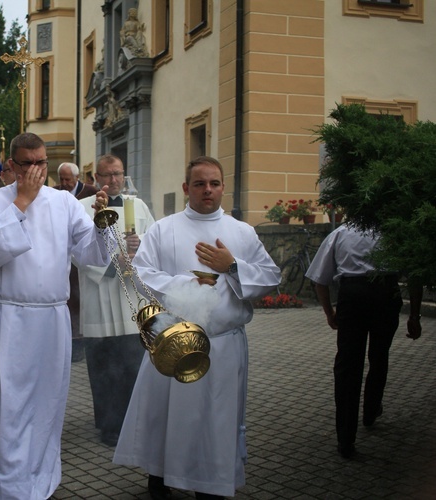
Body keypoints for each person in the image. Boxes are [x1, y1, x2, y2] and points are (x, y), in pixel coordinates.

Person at [113, 156, 280, 500]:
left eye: (215, 183)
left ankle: (211, 482)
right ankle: (160, 474)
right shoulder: (164, 228)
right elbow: (141, 274)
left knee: (214, 421)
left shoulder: (242, 233)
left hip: (222, 345)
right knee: (165, 414)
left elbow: (270, 276)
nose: (208, 190)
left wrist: (231, 266)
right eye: (200, 184)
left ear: (223, 188)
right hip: (174, 340)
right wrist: (190, 283)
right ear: (187, 188)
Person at [0, 132, 111, 499]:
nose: (36, 171)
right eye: (28, 164)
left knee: (46, 406)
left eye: (41, 163)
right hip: (8, 317)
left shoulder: (64, 203)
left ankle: (38, 483)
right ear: (12, 166)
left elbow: (91, 256)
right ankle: (3, 490)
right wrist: (21, 202)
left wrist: (100, 225)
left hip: (51, 319)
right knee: (5, 410)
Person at [304, 223, 423, 459]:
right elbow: (415, 277)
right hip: (386, 295)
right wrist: (414, 315)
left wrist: (330, 312)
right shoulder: (394, 231)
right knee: (379, 356)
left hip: (353, 297)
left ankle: (345, 439)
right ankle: (370, 410)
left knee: (348, 366)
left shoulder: (340, 233)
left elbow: (320, 280)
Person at [77, 154, 155, 446]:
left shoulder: (140, 206)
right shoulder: (82, 208)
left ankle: (136, 419)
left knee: (132, 362)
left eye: (118, 174)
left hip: (130, 296)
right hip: (100, 294)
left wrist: (139, 248)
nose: (113, 180)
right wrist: (114, 263)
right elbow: (78, 250)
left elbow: (152, 239)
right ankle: (109, 425)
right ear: (96, 178)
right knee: (103, 364)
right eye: (107, 175)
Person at [55, 162, 98, 362]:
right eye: (61, 179)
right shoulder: (54, 194)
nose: (64, 183)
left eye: (68, 179)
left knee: (79, 299)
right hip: (62, 256)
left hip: (81, 254)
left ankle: (79, 341)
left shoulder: (90, 193)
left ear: (77, 178)